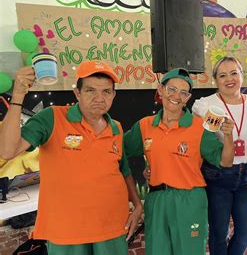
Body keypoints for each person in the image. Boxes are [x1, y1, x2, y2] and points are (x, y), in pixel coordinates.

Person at [0, 61, 143, 254]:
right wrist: (17, 96)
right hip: (66, 232)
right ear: (77, 93)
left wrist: (137, 205)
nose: (99, 98)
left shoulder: (115, 127)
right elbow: (7, 151)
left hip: (112, 227)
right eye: (91, 90)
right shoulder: (51, 118)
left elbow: (124, 170)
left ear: (113, 95)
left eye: (106, 92)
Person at [123, 67, 235, 255]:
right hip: (157, 200)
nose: (176, 96)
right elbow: (119, 150)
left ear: (188, 98)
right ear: (161, 90)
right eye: (171, 89)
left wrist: (228, 136)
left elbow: (225, 162)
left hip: (189, 200)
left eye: (183, 93)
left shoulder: (199, 127)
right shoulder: (145, 125)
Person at [192, 56, 247, 255]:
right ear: (216, 80)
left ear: (242, 75)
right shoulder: (204, 105)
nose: (229, 79)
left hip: (245, 176)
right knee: (219, 232)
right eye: (222, 75)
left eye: (234, 73)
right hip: (217, 175)